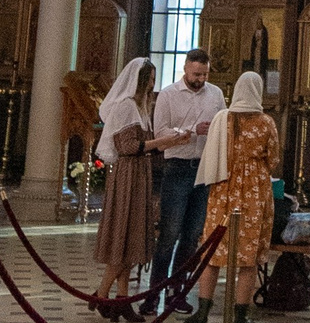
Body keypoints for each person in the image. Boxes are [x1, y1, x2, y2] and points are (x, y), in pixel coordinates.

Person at [190, 72, 281, 323]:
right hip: (255, 192)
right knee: (248, 258)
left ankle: (202, 314)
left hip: (224, 189)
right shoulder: (266, 122)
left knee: (213, 253)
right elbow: (273, 159)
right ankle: (240, 319)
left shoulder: (223, 119)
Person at [151, 47, 219, 309]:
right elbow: (160, 134)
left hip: (203, 169)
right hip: (177, 167)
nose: (200, 79)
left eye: (204, 74)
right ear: (185, 69)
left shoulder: (215, 94)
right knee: (169, 233)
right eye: (196, 74)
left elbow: (222, 126)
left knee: (192, 235)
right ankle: (153, 293)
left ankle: (176, 291)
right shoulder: (168, 94)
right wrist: (192, 131)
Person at [92, 59, 158, 304]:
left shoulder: (141, 106)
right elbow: (127, 146)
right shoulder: (126, 106)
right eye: (151, 79)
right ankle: (101, 295)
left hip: (140, 173)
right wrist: (163, 142)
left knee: (131, 240)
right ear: (140, 80)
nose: (153, 84)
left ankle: (121, 298)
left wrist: (166, 142)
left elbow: (144, 144)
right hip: (127, 175)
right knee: (124, 237)